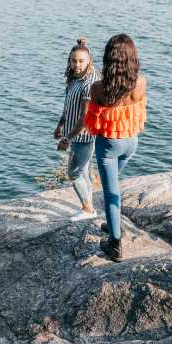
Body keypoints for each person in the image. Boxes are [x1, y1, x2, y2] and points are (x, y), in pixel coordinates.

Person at [84, 34, 147, 262]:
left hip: (109, 146)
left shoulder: (98, 88)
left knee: (111, 193)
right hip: (132, 142)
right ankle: (112, 225)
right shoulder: (141, 82)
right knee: (112, 187)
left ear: (108, 58)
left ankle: (115, 245)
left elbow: (93, 124)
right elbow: (138, 112)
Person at [54, 37, 102, 221]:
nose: (77, 65)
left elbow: (85, 118)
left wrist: (67, 138)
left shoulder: (90, 83)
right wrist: (60, 124)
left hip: (84, 135)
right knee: (84, 171)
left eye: (81, 61)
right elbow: (69, 105)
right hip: (73, 132)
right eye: (74, 61)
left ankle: (88, 209)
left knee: (74, 173)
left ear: (89, 60)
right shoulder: (75, 77)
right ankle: (90, 205)